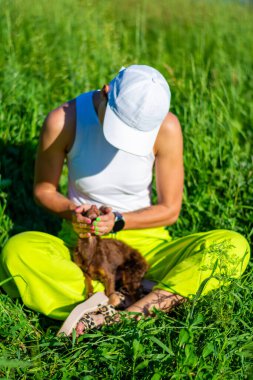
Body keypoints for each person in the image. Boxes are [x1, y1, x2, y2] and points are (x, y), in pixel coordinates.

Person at [0, 65, 250, 336]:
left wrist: (119, 221)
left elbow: (169, 210)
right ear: (106, 93)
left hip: (147, 248)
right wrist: (74, 213)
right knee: (17, 251)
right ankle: (145, 295)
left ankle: (123, 313)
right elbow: (44, 190)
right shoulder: (65, 120)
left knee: (233, 246)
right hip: (83, 247)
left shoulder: (167, 126)